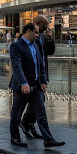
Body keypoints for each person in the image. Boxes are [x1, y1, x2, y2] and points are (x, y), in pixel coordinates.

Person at [9, 22, 65, 149]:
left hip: (36, 85)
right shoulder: (16, 46)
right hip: (21, 87)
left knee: (41, 113)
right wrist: (23, 83)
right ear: (28, 31)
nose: (38, 35)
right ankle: (15, 137)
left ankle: (48, 139)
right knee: (17, 113)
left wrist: (43, 81)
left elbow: (41, 64)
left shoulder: (35, 45)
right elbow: (17, 67)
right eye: (36, 32)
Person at [21, 15, 58, 144]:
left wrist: (49, 39)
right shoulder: (29, 36)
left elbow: (49, 52)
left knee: (38, 104)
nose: (45, 28)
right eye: (44, 25)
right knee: (36, 105)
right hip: (31, 78)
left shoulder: (42, 36)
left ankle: (27, 123)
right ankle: (26, 124)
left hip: (40, 76)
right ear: (37, 24)